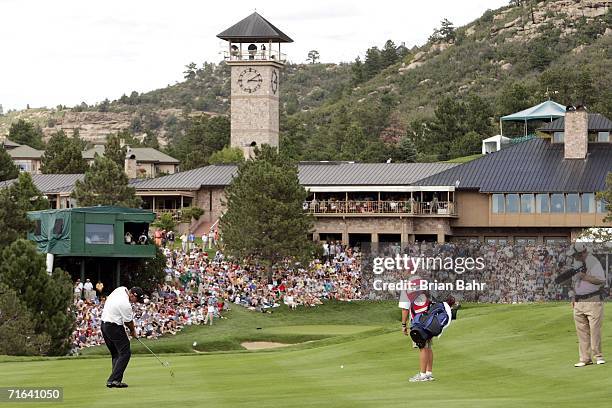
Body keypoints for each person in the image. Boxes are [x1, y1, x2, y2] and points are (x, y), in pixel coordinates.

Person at [568, 243, 606, 367]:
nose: (574, 257)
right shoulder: (576, 263)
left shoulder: (594, 262)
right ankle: (585, 358)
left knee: (594, 330)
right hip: (579, 302)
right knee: (582, 331)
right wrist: (573, 296)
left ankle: (598, 356)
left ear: (582, 253)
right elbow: (574, 283)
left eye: (575, 255)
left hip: (593, 300)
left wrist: (585, 277)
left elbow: (601, 281)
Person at [100, 286, 145, 388]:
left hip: (104, 325)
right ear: (132, 295)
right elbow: (128, 322)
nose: (136, 302)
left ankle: (114, 380)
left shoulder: (121, 289)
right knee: (125, 353)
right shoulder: (125, 305)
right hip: (113, 327)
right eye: (137, 299)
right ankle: (113, 379)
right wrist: (133, 331)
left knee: (116, 353)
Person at [399, 276, 434, 382]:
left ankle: (422, 375)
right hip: (429, 320)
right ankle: (428, 373)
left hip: (417, 321)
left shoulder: (406, 287)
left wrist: (404, 325)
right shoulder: (426, 285)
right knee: (428, 346)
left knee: (422, 347)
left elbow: (405, 309)